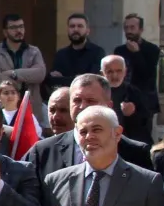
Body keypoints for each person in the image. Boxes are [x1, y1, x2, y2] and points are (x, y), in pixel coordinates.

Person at [24, 73, 153, 177]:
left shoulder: (135, 153)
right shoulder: (43, 152)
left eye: (91, 101)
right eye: (77, 100)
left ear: (109, 106)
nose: (82, 106)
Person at [0, 14, 48, 110]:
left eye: (21, 26)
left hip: (31, 106)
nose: (18, 31)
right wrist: (27, 76)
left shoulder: (34, 51)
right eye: (13, 27)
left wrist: (14, 74)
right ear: (5, 32)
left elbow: (40, 74)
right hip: (5, 107)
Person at [102, 54, 153, 147]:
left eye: (118, 71)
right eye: (109, 71)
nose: (114, 75)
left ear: (125, 72)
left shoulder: (134, 92)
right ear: (102, 73)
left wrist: (133, 115)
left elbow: (146, 122)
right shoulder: (97, 92)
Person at [115, 13, 162, 116]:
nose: (129, 31)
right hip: (124, 100)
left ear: (140, 29)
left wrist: (136, 53)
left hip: (144, 102)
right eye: (126, 28)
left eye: (132, 27)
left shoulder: (152, 49)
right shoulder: (119, 50)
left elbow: (148, 74)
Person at [49, 13, 106, 89]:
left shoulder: (98, 52)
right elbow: (53, 81)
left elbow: (92, 81)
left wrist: (63, 79)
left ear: (88, 31)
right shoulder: (60, 54)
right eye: (72, 26)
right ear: (68, 30)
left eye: (80, 26)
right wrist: (79, 77)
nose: (75, 29)